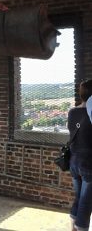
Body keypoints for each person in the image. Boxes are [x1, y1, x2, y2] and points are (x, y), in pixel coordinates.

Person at [68, 79, 92, 231]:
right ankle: (81, 227)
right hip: (88, 162)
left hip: (74, 160)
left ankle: (73, 227)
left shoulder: (72, 112)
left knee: (78, 198)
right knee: (86, 201)